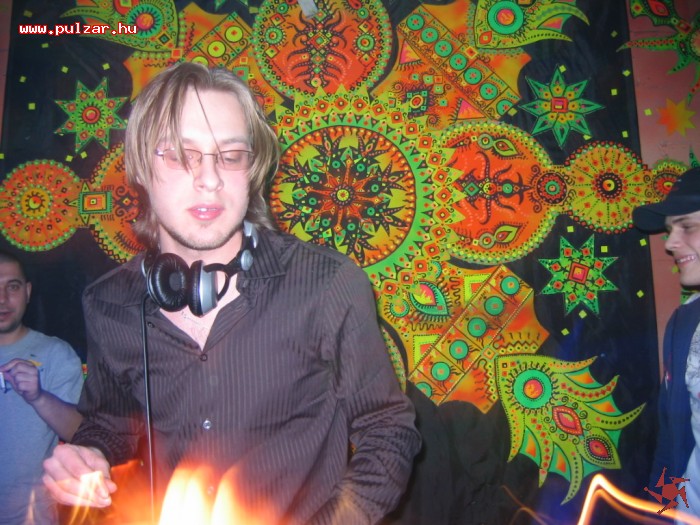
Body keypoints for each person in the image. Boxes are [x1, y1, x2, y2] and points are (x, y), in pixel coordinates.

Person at [42, 62, 421, 524]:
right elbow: (111, 422)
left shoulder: (328, 285)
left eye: (231, 155)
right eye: (180, 155)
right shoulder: (108, 304)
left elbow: (388, 430)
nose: (210, 179)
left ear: (252, 170)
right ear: (140, 165)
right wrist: (88, 455)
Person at [633, 166, 700, 518]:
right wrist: (659, 510)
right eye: (670, 229)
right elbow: (671, 437)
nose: (670, 242)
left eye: (686, 225)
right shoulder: (683, 323)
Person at [0, 250, 84, 525]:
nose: (2, 299)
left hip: (31, 516)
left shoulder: (55, 353)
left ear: (27, 292)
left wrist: (38, 397)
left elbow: (80, 432)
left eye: (12, 287)